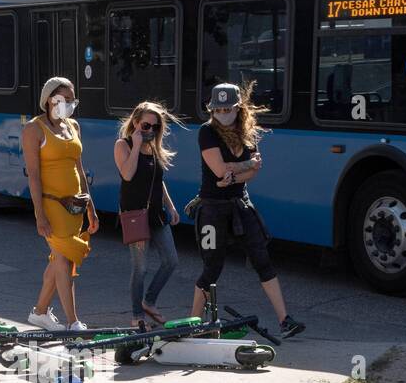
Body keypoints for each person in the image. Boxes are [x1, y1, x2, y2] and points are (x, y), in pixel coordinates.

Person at [194, 82, 304, 338]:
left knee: (262, 259)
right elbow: (220, 171)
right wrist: (243, 167)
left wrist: (234, 176)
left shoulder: (248, 133)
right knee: (212, 267)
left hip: (240, 204)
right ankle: (194, 322)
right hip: (212, 207)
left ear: (238, 108)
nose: (222, 113)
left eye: (227, 108)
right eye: (218, 109)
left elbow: (254, 172)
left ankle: (285, 320)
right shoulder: (206, 132)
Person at [23, 77, 99, 331]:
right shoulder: (34, 130)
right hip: (52, 205)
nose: (68, 104)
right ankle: (72, 321)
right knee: (65, 261)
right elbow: (33, 175)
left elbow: (79, 167)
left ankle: (40, 312)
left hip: (75, 206)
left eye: (71, 99)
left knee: (59, 259)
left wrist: (91, 207)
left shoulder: (73, 126)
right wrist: (39, 216)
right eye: (63, 98)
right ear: (49, 99)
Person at [115, 101, 181, 328]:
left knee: (171, 260)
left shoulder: (154, 148)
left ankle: (149, 300)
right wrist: (135, 146)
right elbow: (128, 174)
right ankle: (137, 315)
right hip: (134, 215)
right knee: (140, 268)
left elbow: (158, 182)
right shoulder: (122, 145)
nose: (150, 131)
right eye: (145, 126)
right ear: (135, 123)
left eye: (155, 127)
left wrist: (170, 207)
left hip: (156, 213)